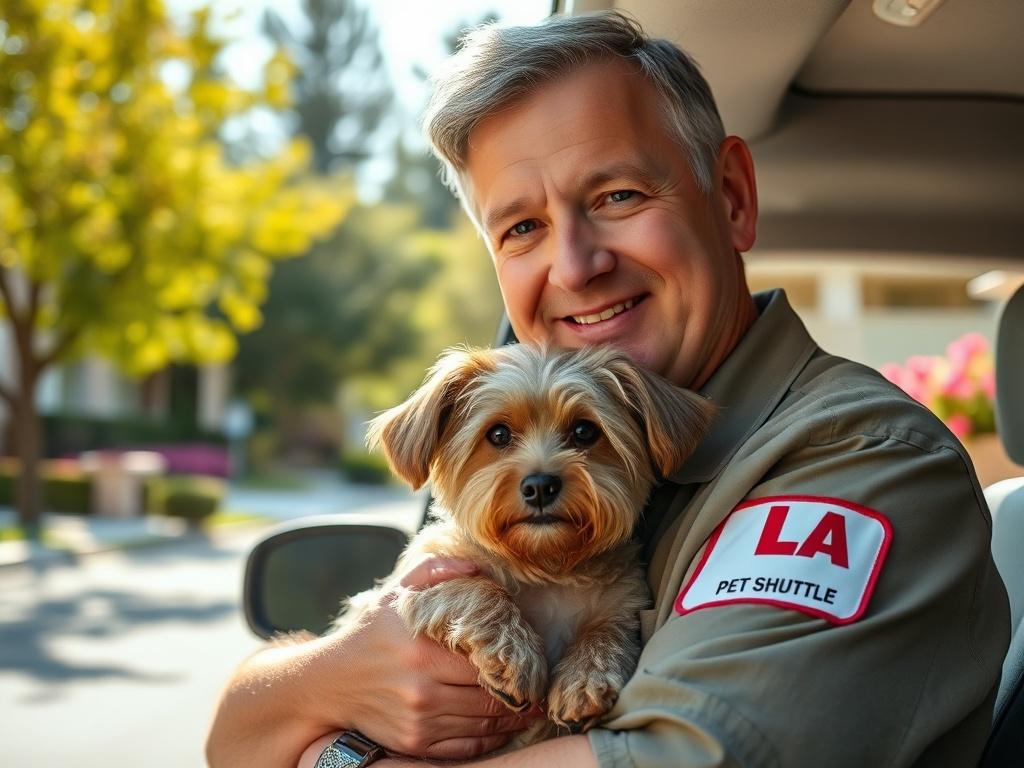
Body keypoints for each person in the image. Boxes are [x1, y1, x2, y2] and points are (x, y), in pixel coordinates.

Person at [207, 12, 1010, 768]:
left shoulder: (857, 462)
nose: (577, 265)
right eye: (522, 228)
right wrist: (330, 678)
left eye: (617, 196)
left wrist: (321, 753)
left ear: (730, 197)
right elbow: (230, 741)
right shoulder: (572, 485)